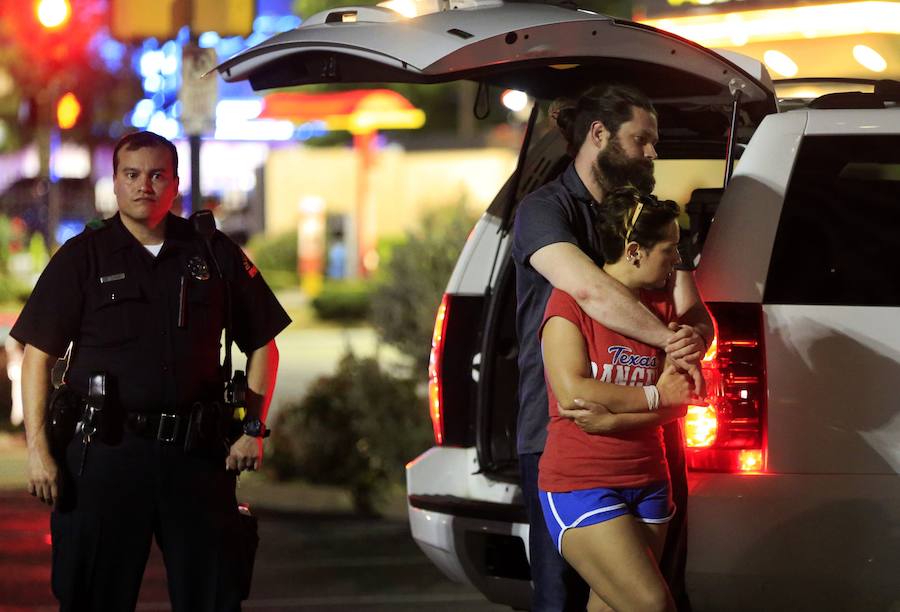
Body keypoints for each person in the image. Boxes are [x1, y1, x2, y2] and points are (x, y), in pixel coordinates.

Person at [13, 131, 291, 612]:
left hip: (197, 459)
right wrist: (39, 453)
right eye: (132, 175)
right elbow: (37, 357)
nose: (145, 185)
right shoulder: (84, 256)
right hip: (105, 457)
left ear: (176, 183)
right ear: (116, 184)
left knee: (213, 598)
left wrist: (252, 430)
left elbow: (264, 344)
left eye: (158, 175)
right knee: (92, 598)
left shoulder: (212, 252)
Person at [512, 83, 711, 611]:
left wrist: (690, 340)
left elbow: (695, 317)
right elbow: (588, 291)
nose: (652, 152)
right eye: (641, 139)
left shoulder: (647, 219)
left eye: (654, 142)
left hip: (649, 446)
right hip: (562, 426)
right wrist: (672, 345)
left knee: (627, 597)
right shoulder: (544, 209)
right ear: (598, 134)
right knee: (565, 598)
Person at [539, 188, 699, 612]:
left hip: (649, 482)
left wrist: (615, 419)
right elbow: (574, 393)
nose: (675, 260)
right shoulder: (570, 303)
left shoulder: (661, 308)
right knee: (651, 604)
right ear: (634, 251)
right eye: (669, 250)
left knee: (612, 607)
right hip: (582, 483)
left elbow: (678, 403)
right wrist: (653, 396)